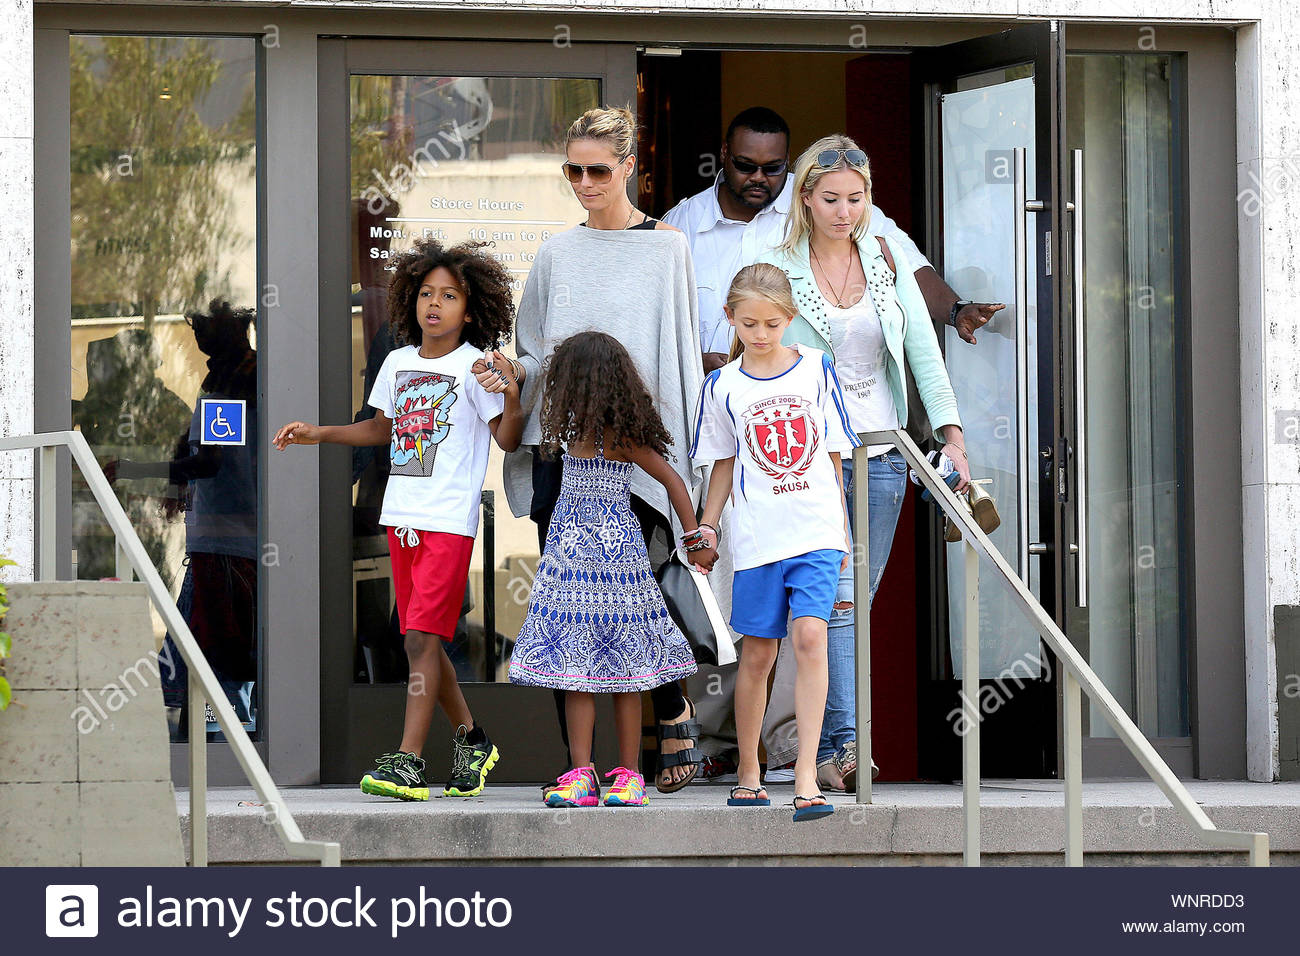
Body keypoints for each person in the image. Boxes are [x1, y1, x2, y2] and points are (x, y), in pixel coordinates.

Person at [273, 239, 524, 801]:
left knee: (417, 640)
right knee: (424, 641)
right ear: (411, 299)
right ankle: (472, 738)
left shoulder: (474, 367)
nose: (435, 305)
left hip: (448, 522)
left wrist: (511, 396)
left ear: (470, 307)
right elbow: (381, 430)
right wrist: (320, 433)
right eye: (427, 294)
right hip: (401, 517)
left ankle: (408, 761)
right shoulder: (397, 362)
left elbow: (505, 439)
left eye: (450, 296)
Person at [758, 135, 970, 791]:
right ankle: (846, 746)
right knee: (839, 602)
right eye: (830, 198)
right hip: (810, 457)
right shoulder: (774, 264)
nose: (844, 211)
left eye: (856, 198)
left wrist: (952, 434)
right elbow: (757, 359)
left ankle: (833, 745)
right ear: (805, 197)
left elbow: (922, 356)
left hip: (883, 453)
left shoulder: (882, 260)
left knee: (853, 605)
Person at [506, 106, 707, 793]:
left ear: (629, 166)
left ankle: (668, 712)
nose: (585, 182)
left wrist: (682, 459)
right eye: (573, 170)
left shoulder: (669, 247)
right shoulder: (556, 254)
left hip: (636, 448)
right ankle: (579, 769)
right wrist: (510, 379)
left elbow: (678, 352)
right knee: (571, 614)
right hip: (567, 454)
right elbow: (533, 352)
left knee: (641, 598)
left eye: (598, 169)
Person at [509, 332, 713, 807]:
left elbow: (672, 480)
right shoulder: (565, 434)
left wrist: (694, 537)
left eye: (567, 382)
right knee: (573, 673)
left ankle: (628, 775)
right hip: (571, 567)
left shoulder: (620, 439)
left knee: (627, 674)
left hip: (617, 566)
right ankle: (581, 774)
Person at [692, 263, 858, 822]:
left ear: (789, 319)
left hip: (815, 532)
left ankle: (808, 776)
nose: (760, 334)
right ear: (730, 319)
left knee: (811, 636)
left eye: (771, 323)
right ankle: (748, 771)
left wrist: (841, 531)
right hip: (758, 538)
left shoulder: (816, 368)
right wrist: (709, 525)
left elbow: (834, 454)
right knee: (757, 655)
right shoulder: (723, 387)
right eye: (749, 324)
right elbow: (722, 462)